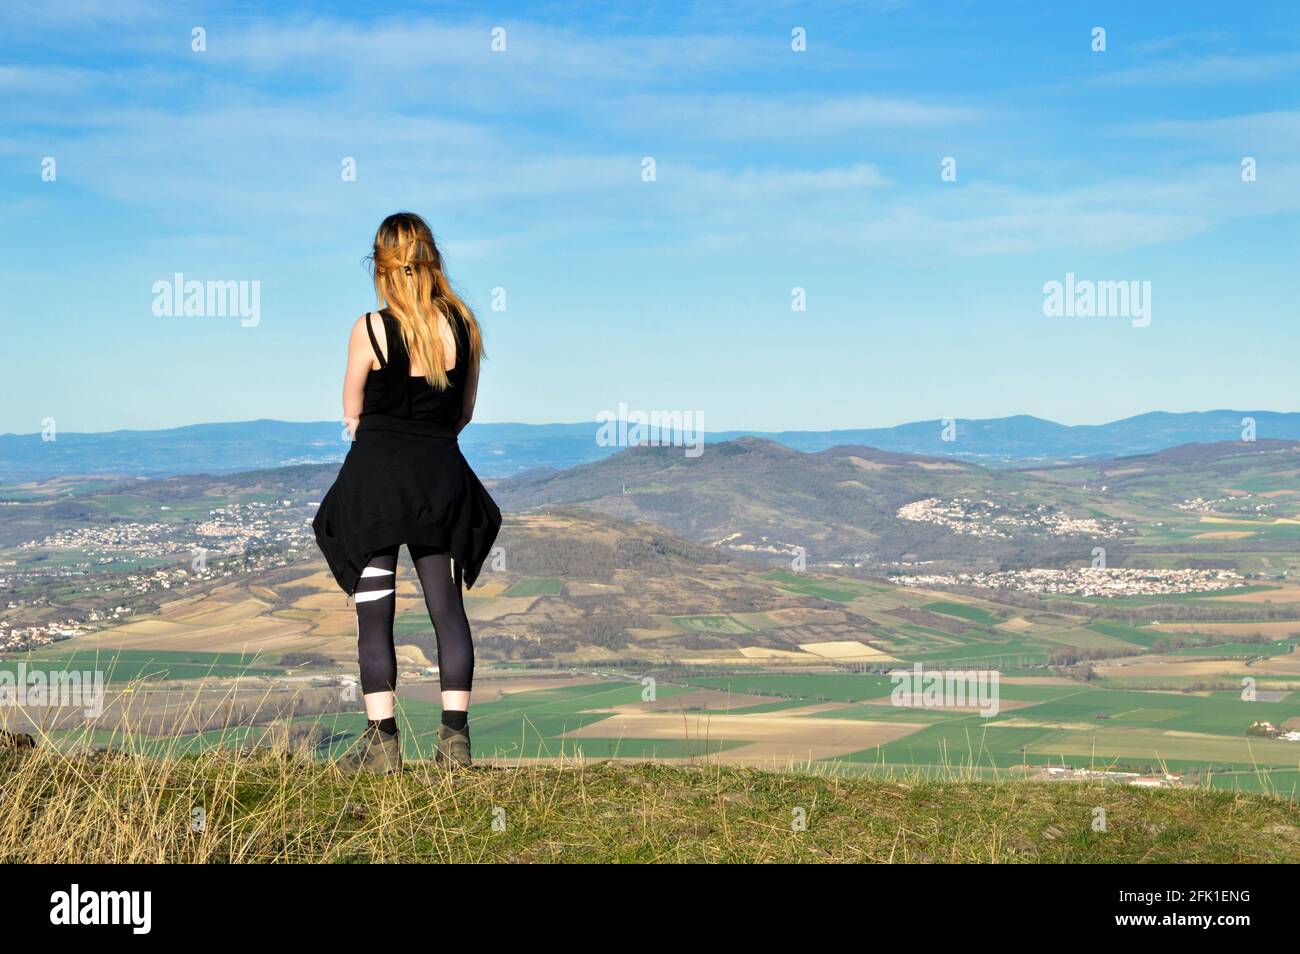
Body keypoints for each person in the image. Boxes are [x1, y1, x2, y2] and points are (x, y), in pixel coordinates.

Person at [313, 212, 501, 773]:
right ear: (432, 259)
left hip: (374, 486)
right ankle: (455, 743)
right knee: (448, 612)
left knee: (375, 616)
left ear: (380, 266)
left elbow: (350, 412)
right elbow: (463, 413)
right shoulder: (465, 327)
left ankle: (382, 746)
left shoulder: (369, 329)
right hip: (440, 483)